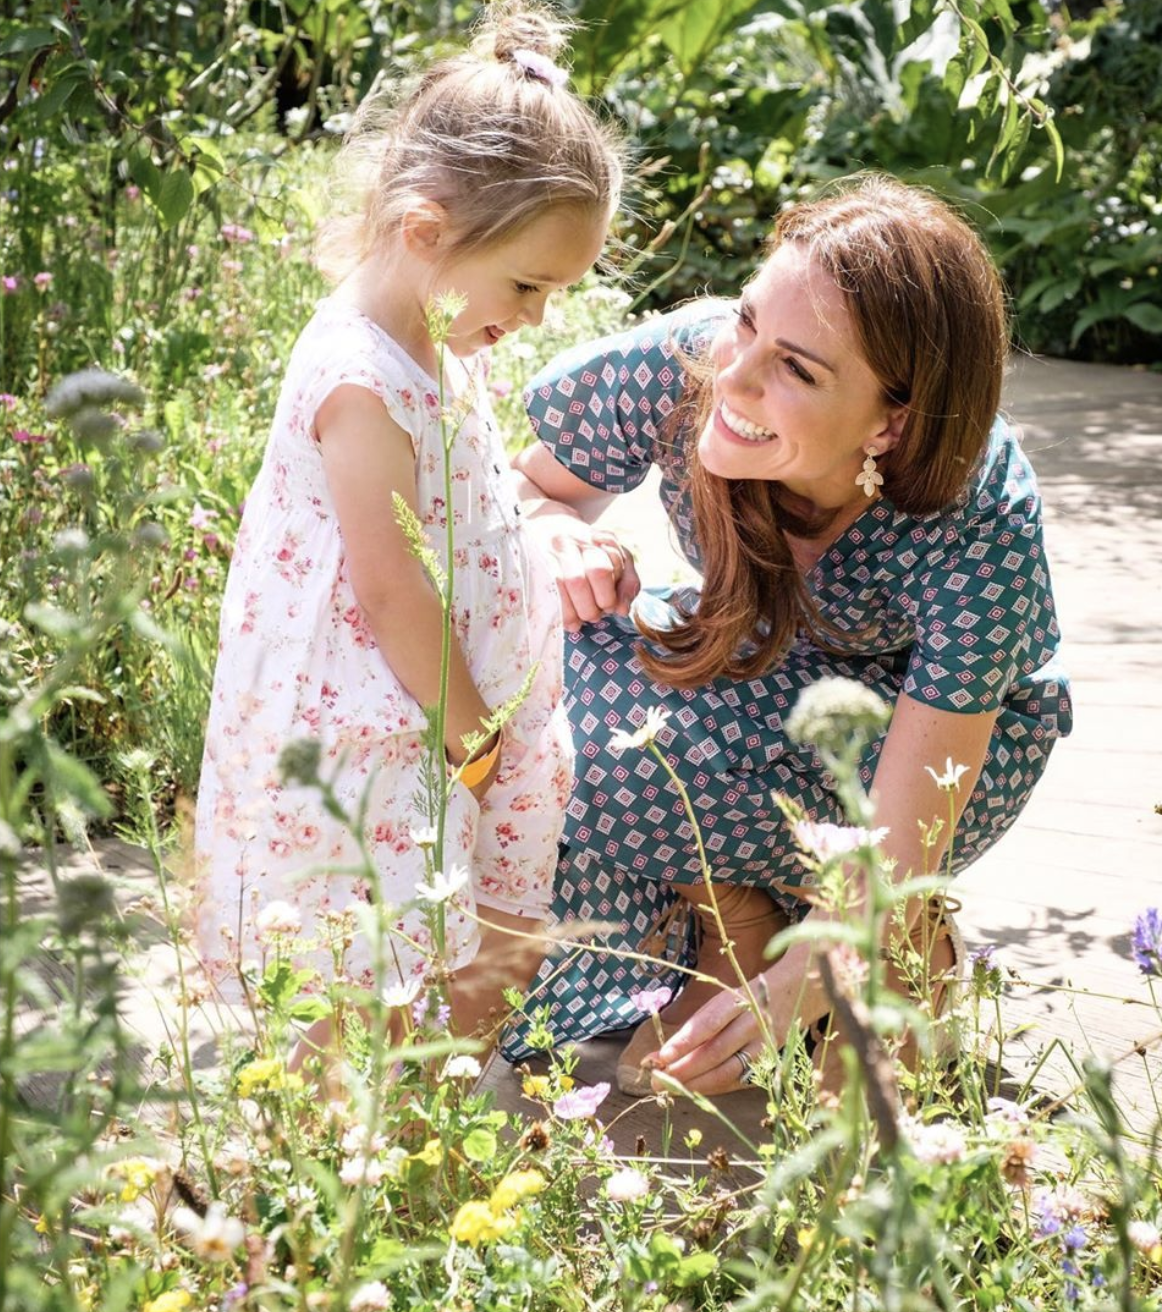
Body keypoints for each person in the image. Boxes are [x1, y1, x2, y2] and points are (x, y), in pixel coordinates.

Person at [502, 173, 1072, 1095]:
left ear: (892, 423)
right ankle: (729, 916)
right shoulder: (687, 370)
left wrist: (804, 983)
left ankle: (890, 944)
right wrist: (554, 532)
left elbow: (909, 814)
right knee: (525, 667)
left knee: (860, 968)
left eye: (797, 369)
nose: (733, 374)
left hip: (930, 747)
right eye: (746, 320)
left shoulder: (980, 515)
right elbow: (527, 494)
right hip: (754, 673)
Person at [192, 1, 623, 1059]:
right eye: (528, 284)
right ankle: (349, 1154)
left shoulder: (440, 343)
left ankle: (429, 1136)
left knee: (488, 935)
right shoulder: (358, 378)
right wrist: (474, 734)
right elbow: (389, 585)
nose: (537, 315)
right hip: (385, 726)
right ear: (425, 231)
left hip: (459, 713)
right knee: (363, 966)